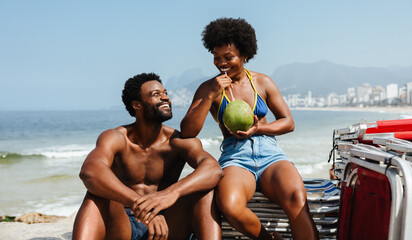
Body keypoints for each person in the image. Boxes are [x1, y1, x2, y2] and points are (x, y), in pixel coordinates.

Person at [180, 18, 319, 240]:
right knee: (230, 205)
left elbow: (288, 122)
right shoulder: (209, 87)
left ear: (244, 54)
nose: (221, 63)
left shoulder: (262, 82)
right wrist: (210, 96)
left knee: (296, 198)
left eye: (229, 57)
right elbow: (188, 131)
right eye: (217, 58)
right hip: (236, 157)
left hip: (270, 154)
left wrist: (258, 130)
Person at [72, 73, 223, 240]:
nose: (165, 98)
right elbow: (89, 172)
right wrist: (142, 206)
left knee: (204, 190)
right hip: (123, 226)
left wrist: (172, 193)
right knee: (96, 193)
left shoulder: (178, 141)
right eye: (156, 94)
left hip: (168, 224)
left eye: (165, 93)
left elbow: (213, 170)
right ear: (137, 105)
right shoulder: (116, 138)